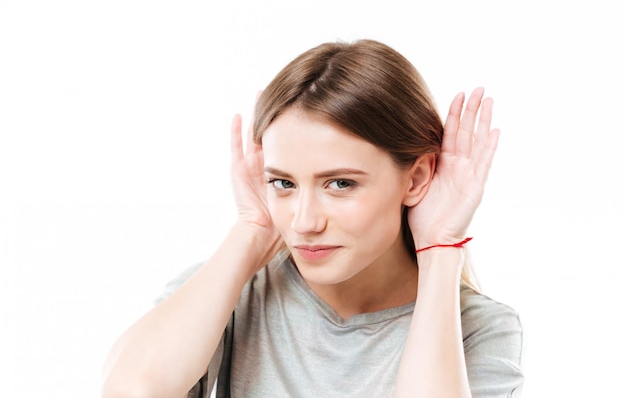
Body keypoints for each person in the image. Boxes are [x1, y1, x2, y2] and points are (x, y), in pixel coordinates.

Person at [101, 39, 523, 398]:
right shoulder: (228, 289)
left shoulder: (478, 327)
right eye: (283, 183)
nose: (303, 222)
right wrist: (251, 230)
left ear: (415, 178)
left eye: (340, 184)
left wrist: (440, 248)